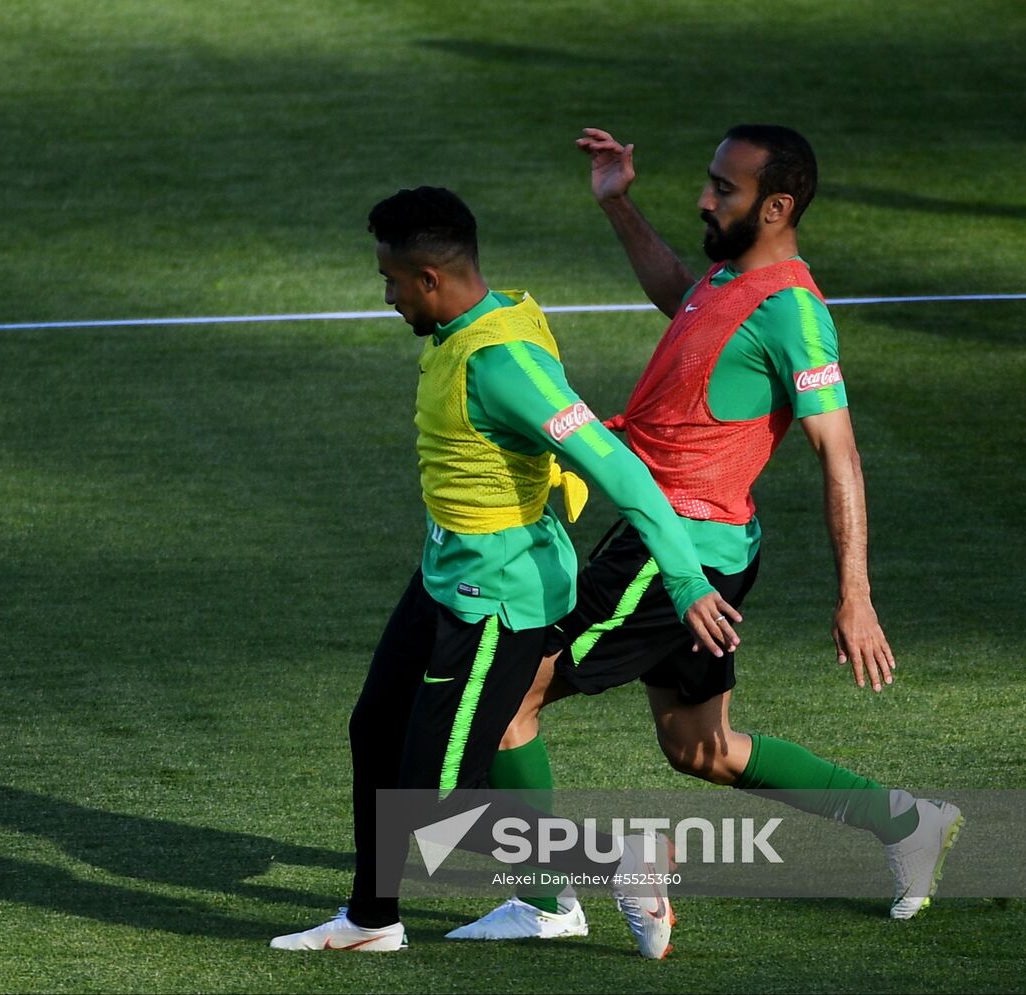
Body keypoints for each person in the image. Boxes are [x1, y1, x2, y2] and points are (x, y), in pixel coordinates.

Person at [446, 127, 963, 949]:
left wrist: (856, 595)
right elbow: (684, 299)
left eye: (725, 188)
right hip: (706, 546)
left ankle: (547, 901)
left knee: (510, 697)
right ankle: (907, 821)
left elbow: (840, 453)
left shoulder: (794, 312)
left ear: (777, 206)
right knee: (702, 747)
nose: (704, 198)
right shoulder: (731, 277)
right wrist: (619, 206)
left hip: (674, 550)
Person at [269, 186, 740, 958]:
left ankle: (618, 864)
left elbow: (618, 467)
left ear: (430, 279)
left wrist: (687, 581)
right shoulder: (477, 320)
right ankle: (372, 918)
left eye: (392, 280)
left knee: (433, 803)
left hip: (496, 599)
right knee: (375, 727)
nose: (387, 296)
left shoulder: (502, 360)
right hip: (446, 572)